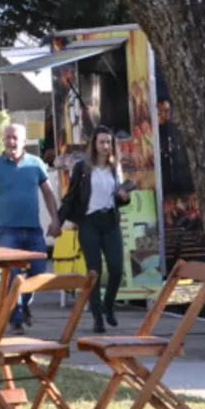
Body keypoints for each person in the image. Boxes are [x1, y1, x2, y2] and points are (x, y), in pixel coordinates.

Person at [0, 124, 62, 335]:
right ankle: (15, 318)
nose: (11, 142)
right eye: (7, 137)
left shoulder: (36, 164)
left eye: (15, 138)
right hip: (8, 230)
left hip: (33, 229)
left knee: (39, 273)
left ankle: (24, 303)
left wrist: (55, 219)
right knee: (12, 275)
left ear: (24, 141)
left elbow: (48, 194)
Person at [58, 125, 131, 333]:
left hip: (110, 221)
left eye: (109, 142)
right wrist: (58, 221)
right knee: (94, 271)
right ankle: (97, 316)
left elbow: (119, 198)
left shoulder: (115, 166)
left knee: (116, 269)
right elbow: (71, 195)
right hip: (89, 222)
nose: (105, 146)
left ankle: (108, 305)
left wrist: (124, 197)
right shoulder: (82, 167)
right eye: (102, 142)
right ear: (94, 144)